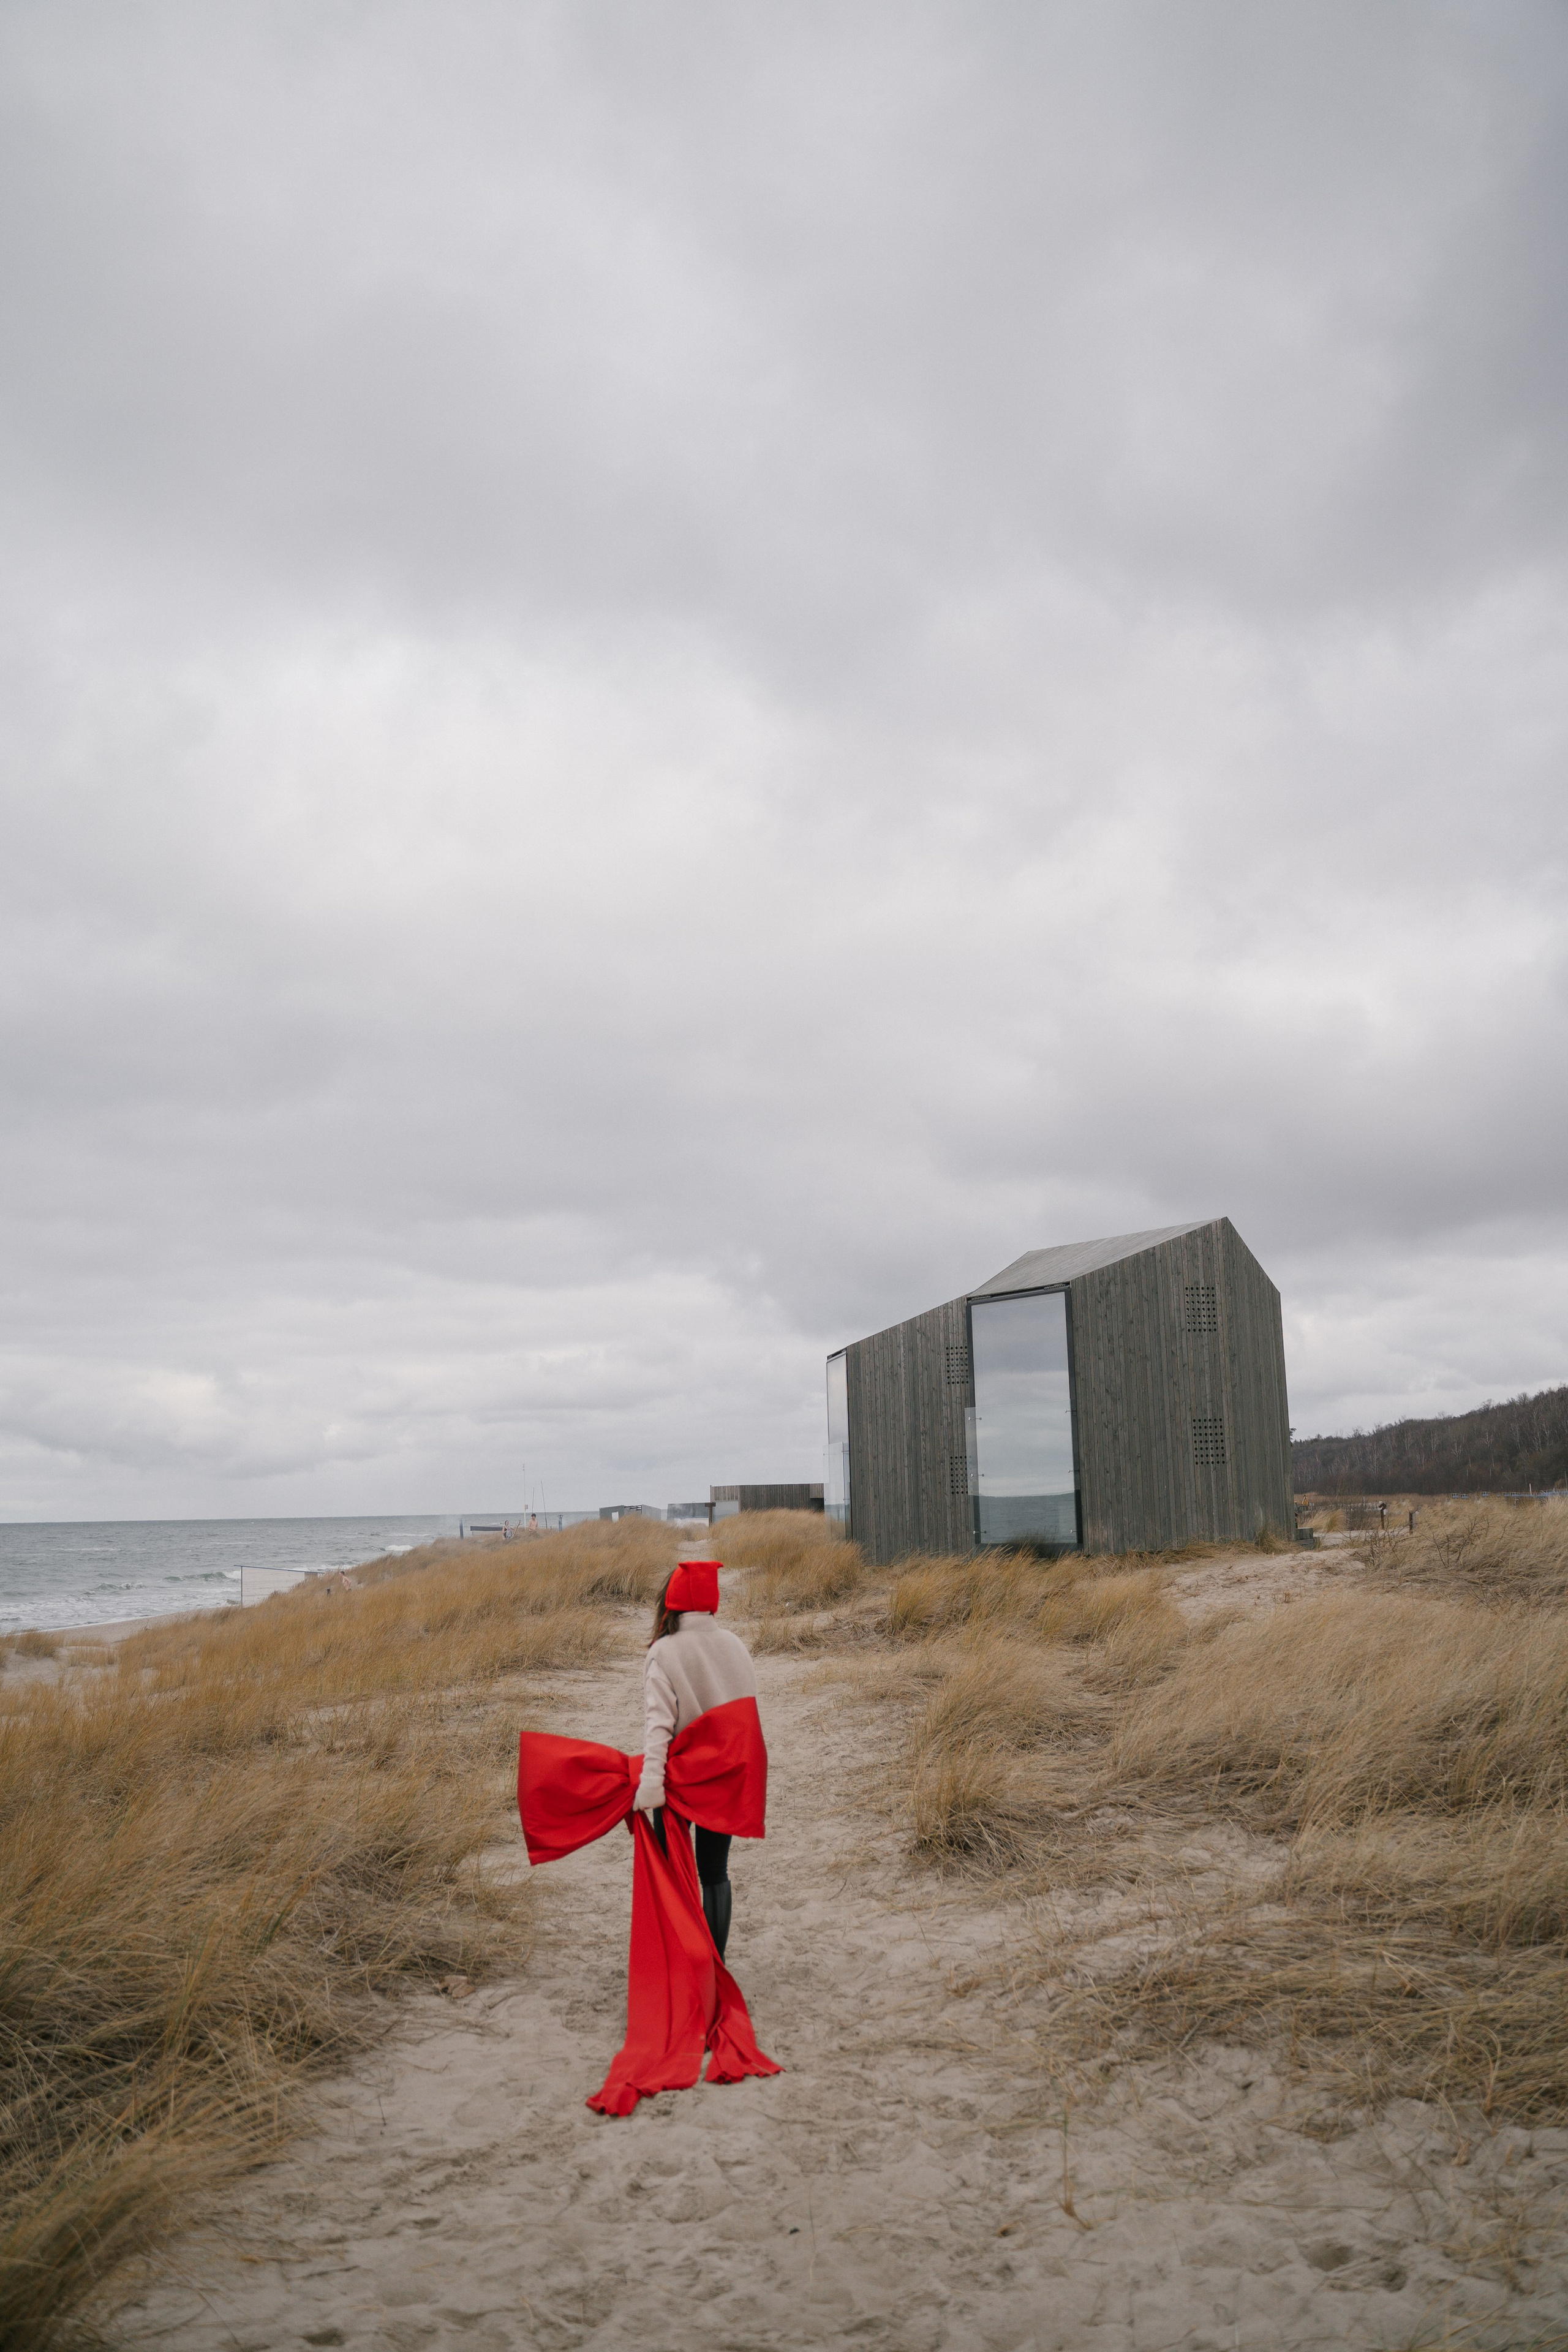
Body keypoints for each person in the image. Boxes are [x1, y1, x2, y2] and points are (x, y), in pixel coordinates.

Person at [631, 1559, 758, 1961]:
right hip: (726, 1774)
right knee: (715, 1873)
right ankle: (715, 1963)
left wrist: (650, 1787)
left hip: (678, 1782)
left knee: (673, 1876)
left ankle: (681, 1960)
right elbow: (745, 1715)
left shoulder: (664, 1652)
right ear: (711, 1603)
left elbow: (659, 1729)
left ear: (669, 1603)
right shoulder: (736, 1645)